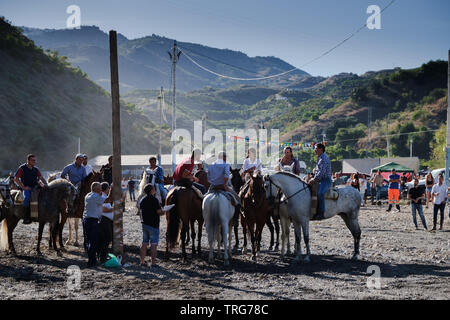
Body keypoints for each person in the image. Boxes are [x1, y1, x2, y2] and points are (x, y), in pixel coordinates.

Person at [83, 182, 111, 267]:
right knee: (93, 241)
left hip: (86, 220)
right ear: (97, 189)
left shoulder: (88, 195)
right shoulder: (95, 196)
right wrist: (112, 190)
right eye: (100, 188)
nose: (101, 189)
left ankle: (92, 259)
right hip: (92, 221)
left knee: (89, 241)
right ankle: (92, 261)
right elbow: (107, 200)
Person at [139, 184, 168, 267]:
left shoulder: (142, 200)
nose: (155, 190)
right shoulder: (154, 200)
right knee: (153, 244)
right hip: (153, 224)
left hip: (144, 224)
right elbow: (159, 212)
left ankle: (142, 261)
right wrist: (164, 211)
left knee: (144, 243)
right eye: (154, 189)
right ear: (151, 190)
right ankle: (153, 263)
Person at [14, 154, 47, 224]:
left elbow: (41, 178)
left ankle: (41, 214)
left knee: (44, 196)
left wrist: (46, 185)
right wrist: (23, 187)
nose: (34, 162)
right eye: (33, 160)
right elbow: (16, 179)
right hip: (27, 188)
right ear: (28, 160)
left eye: (35, 160)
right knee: (27, 198)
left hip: (36, 187)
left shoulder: (36, 169)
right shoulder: (22, 168)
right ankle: (26, 217)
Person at [308, 143, 331, 219]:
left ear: (321, 149)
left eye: (316, 148)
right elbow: (318, 171)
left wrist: (314, 179)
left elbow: (322, 172)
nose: (315, 150)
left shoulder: (324, 158)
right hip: (320, 179)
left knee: (320, 193)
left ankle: (321, 212)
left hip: (325, 180)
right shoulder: (319, 158)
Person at [98, 182, 114, 263]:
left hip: (106, 220)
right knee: (106, 239)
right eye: (108, 188)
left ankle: (103, 256)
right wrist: (114, 209)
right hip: (104, 220)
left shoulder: (104, 196)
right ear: (107, 189)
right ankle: (102, 257)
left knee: (106, 239)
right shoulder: (102, 196)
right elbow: (103, 209)